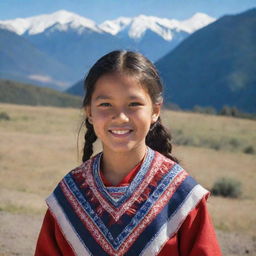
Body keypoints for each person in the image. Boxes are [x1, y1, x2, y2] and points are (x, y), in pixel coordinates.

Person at [35, 50, 222, 256]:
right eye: (105, 104)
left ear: (155, 111)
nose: (121, 117)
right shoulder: (67, 197)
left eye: (134, 104)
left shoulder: (183, 197)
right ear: (89, 112)